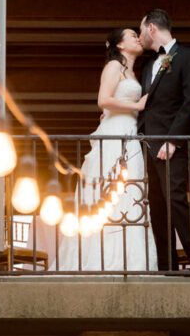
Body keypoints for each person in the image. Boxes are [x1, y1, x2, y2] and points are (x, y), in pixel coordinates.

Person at [53, 28, 158, 271]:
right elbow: (103, 100)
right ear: (120, 45)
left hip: (130, 133)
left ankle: (132, 262)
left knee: (132, 194)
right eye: (132, 35)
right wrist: (138, 104)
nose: (137, 37)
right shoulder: (113, 66)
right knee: (112, 191)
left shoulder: (133, 72)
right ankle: (102, 261)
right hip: (115, 135)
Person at [138, 8, 190, 272]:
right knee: (157, 205)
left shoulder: (188, 57)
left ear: (152, 28)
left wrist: (173, 140)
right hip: (148, 145)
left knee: (176, 198)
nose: (139, 36)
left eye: (141, 30)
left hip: (171, 144)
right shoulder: (147, 66)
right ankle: (167, 266)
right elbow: (148, 106)